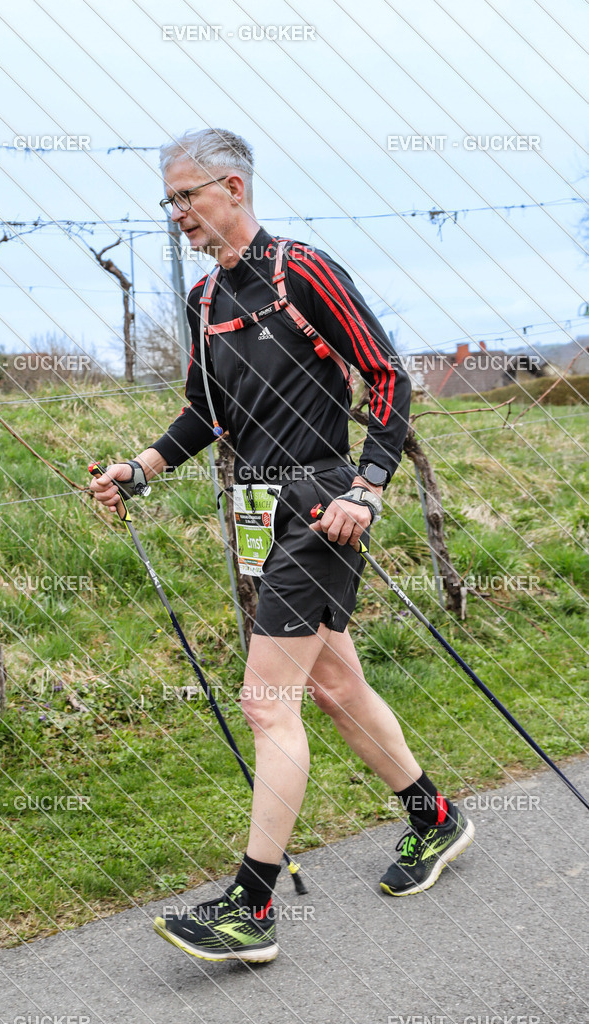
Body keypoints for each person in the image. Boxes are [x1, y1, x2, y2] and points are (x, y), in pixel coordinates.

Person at [90, 128, 474, 964]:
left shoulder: (302, 269)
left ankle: (252, 909)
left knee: (270, 704)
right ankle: (434, 818)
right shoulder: (203, 303)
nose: (176, 214)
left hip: (324, 499)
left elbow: (387, 375)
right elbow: (208, 415)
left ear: (231, 187)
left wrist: (368, 488)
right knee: (334, 686)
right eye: (169, 200)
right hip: (259, 507)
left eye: (185, 196)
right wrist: (141, 469)